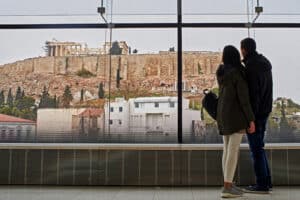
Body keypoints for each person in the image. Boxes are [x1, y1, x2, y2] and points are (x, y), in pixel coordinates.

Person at [217, 45, 256, 198]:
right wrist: (251, 119)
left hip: (223, 114)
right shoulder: (238, 74)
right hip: (236, 116)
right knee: (232, 151)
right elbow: (244, 99)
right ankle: (227, 187)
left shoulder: (221, 73)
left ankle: (228, 183)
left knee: (227, 150)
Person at [240, 38, 273, 193]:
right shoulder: (264, 64)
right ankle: (267, 181)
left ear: (244, 49)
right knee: (259, 147)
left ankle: (262, 184)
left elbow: (254, 95)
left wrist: (251, 119)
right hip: (265, 110)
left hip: (257, 114)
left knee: (256, 149)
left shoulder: (251, 67)